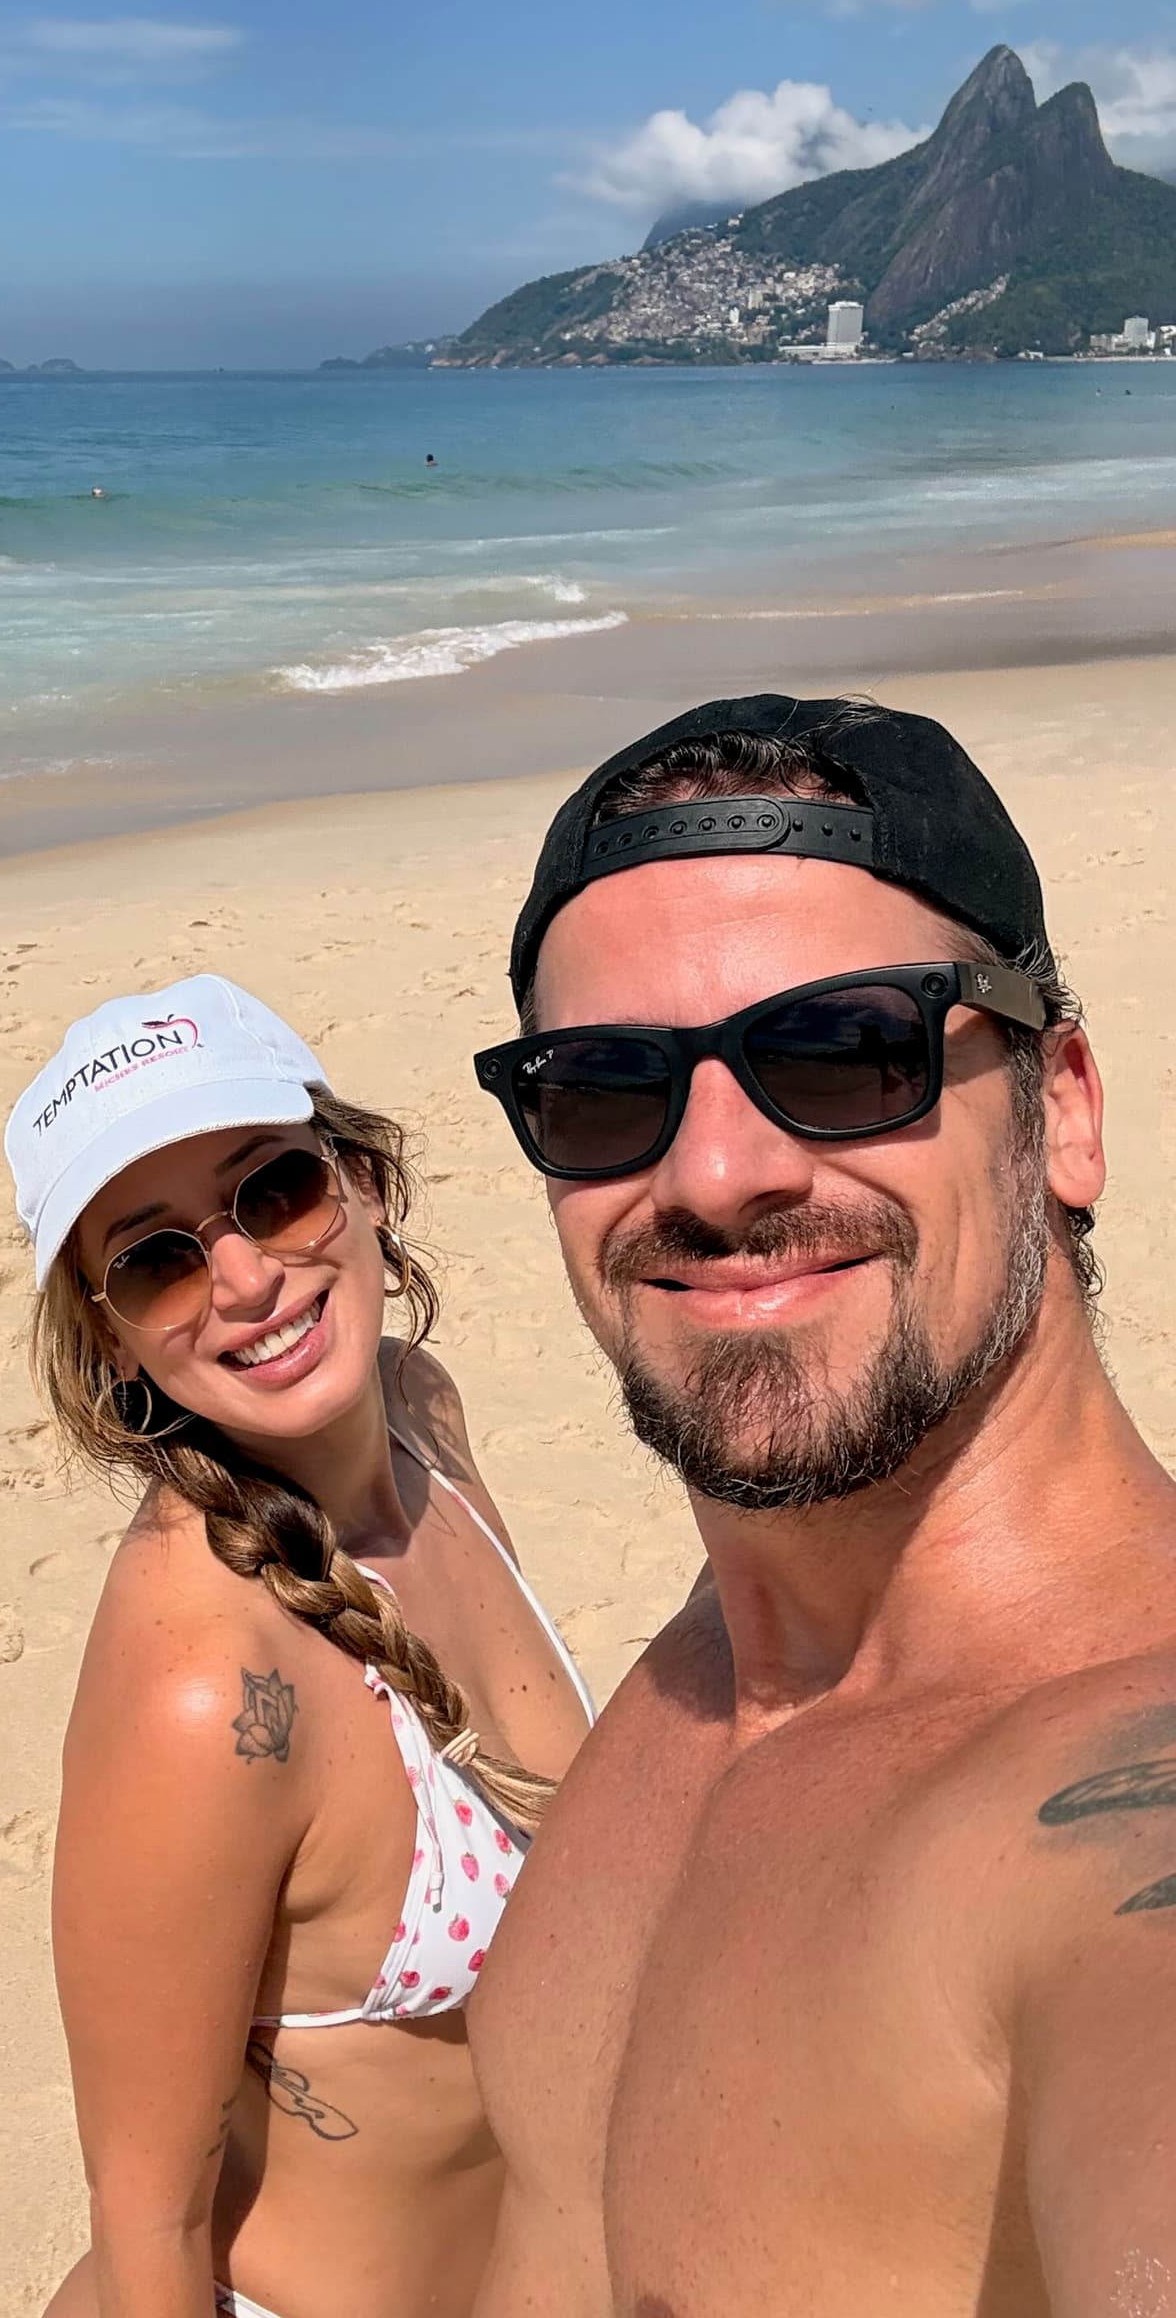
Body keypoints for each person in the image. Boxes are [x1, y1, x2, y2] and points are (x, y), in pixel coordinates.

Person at [466, 693, 1176, 2316]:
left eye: (843, 1052)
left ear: (1062, 1107)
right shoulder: (715, 1668)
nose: (715, 1173)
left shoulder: (1121, 1804)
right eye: (602, 1089)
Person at [6, 975, 594, 2318]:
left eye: (273, 1190)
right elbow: (147, 2217)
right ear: (112, 1335)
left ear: (364, 1180)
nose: (247, 1276)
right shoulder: (205, 1687)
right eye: (156, 1259)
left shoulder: (420, 1418)